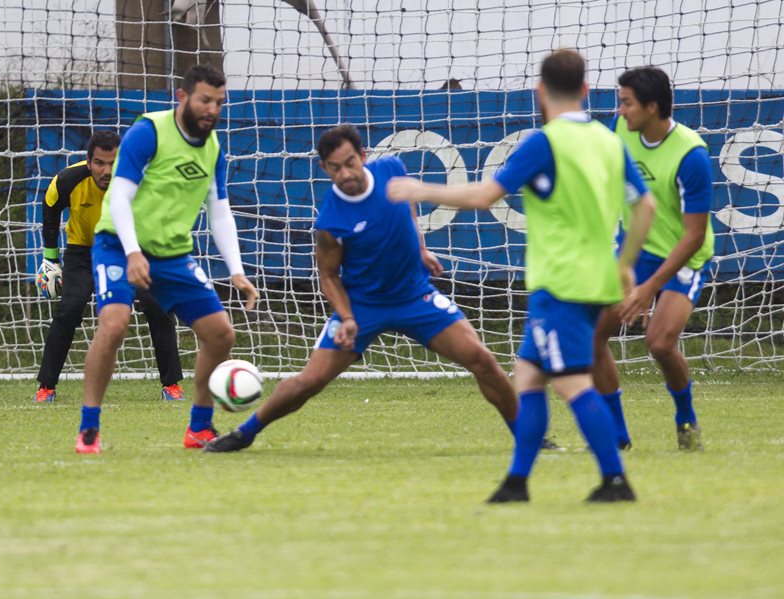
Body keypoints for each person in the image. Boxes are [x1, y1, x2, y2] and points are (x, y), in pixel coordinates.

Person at [388, 49, 657, 503]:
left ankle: (616, 479)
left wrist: (421, 188)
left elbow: (485, 195)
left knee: (573, 382)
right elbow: (645, 206)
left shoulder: (544, 142)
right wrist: (626, 264)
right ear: (587, 91)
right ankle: (517, 483)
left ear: (540, 92)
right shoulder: (608, 140)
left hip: (561, 283)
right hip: (594, 278)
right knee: (528, 374)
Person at [205, 125, 520, 453]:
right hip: (363, 306)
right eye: (335, 168)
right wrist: (346, 317)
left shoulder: (392, 170)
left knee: (482, 359)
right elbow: (328, 276)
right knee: (310, 381)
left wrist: (421, 249)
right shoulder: (332, 219)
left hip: (415, 295)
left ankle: (527, 434)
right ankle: (246, 432)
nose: (345, 173)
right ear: (323, 168)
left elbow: (408, 208)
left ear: (364, 156)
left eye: (350, 162)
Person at [75, 63, 258, 453]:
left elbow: (219, 210)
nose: (212, 109)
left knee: (221, 334)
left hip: (172, 254)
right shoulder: (149, 132)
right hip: (117, 244)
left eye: (219, 103)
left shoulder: (212, 148)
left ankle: (199, 427)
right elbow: (120, 197)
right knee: (114, 324)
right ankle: (89, 427)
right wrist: (132, 252)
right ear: (183, 96)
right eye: (205, 100)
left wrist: (238, 271)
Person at [592, 66, 713, 451]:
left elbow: (694, 236)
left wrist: (648, 289)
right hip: (636, 249)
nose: (620, 110)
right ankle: (617, 435)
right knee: (593, 334)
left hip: (683, 256)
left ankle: (685, 418)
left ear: (652, 106)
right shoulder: (620, 132)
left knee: (659, 343)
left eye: (627, 102)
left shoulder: (691, 155)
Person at [35, 130, 185, 403]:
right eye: (99, 163)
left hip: (129, 250)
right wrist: (50, 258)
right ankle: (46, 387)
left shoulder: (140, 181)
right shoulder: (68, 180)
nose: (106, 170)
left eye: (113, 163)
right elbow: (50, 205)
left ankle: (171, 386)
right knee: (69, 309)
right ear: (89, 162)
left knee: (157, 304)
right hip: (83, 252)